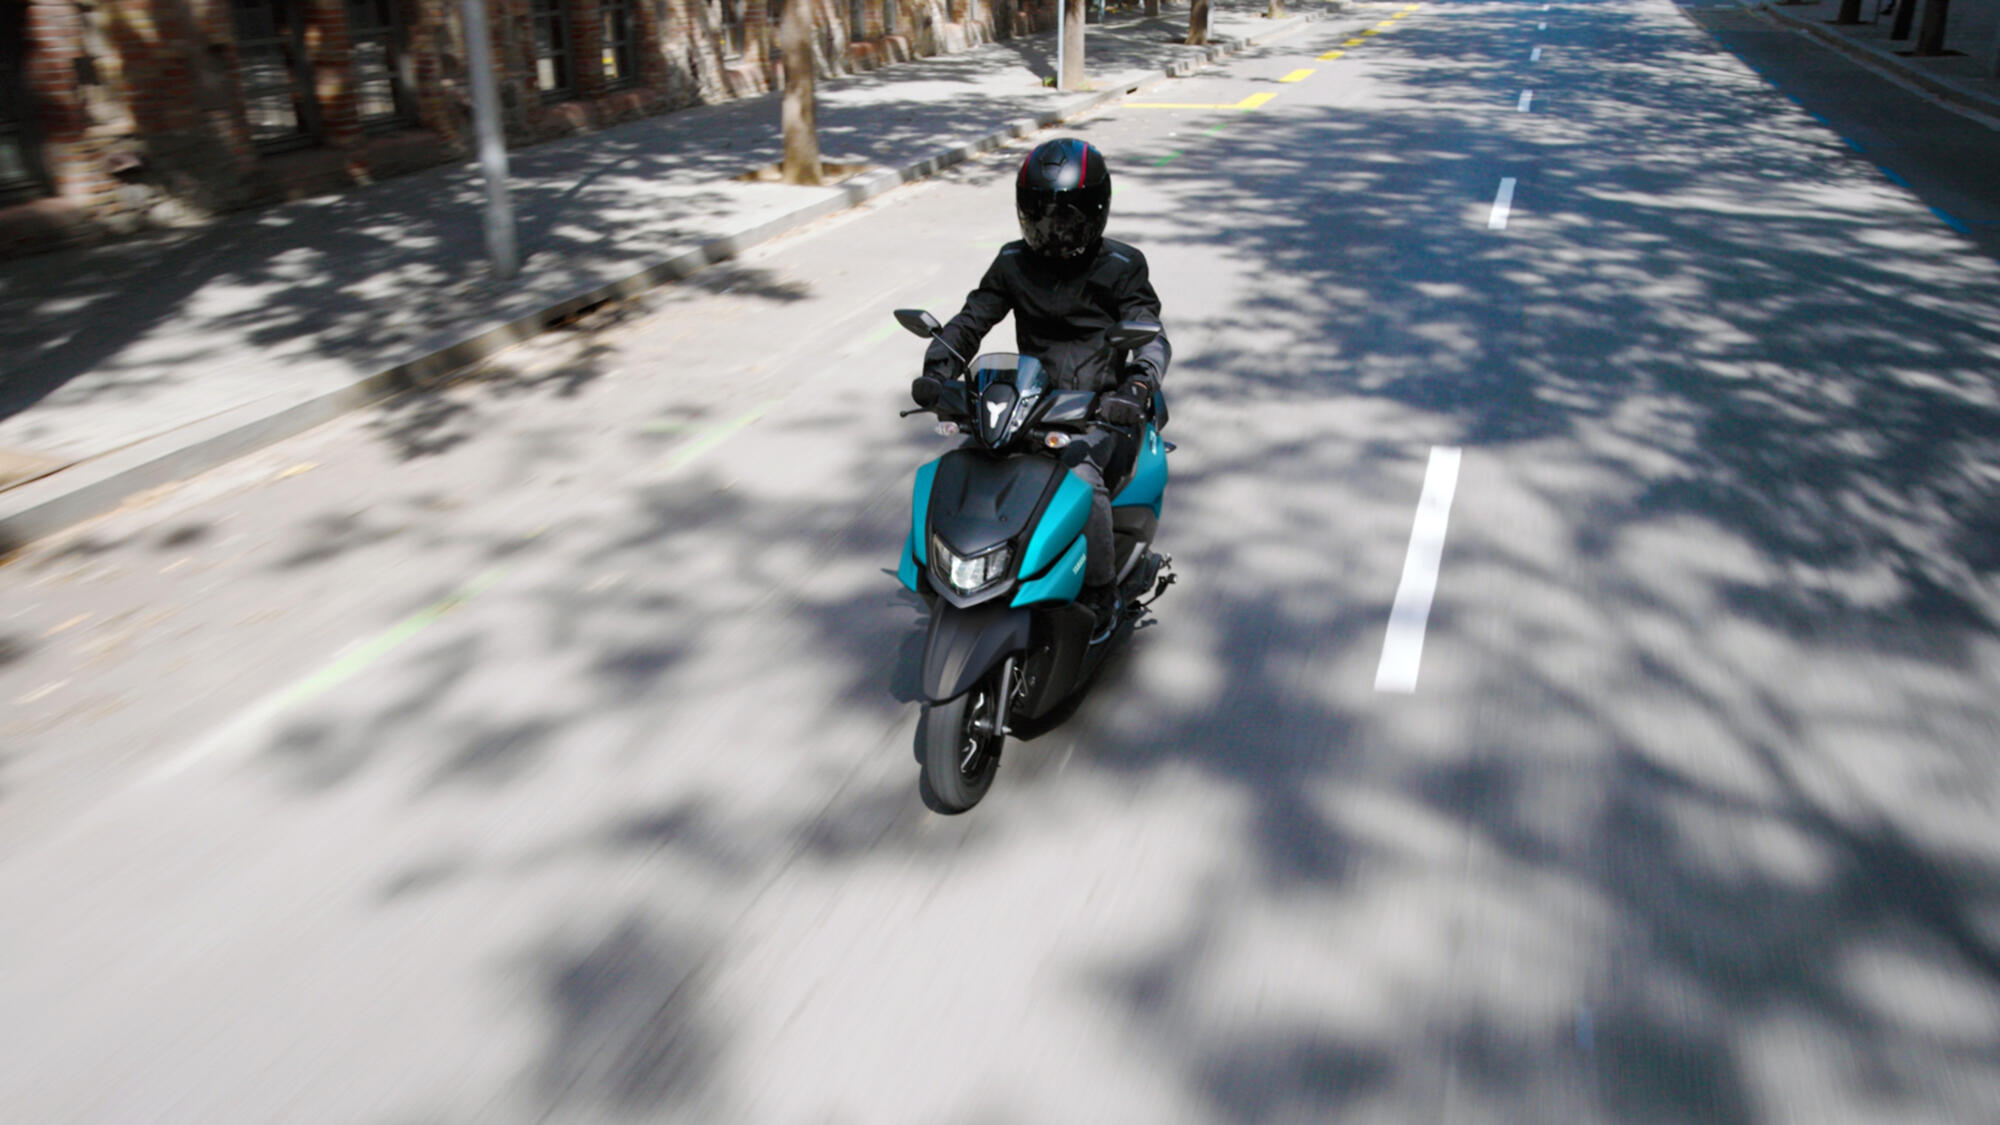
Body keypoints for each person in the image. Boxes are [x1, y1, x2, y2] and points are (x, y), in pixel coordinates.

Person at [910, 137, 1172, 620]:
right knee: (964, 464)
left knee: (1082, 482)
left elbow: (1151, 334)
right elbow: (971, 321)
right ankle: (956, 574)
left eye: (1067, 218)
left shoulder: (1122, 267)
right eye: (1041, 216)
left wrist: (1137, 385)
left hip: (1096, 410)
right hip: (1026, 401)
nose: (1054, 230)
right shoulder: (1012, 263)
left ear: (1095, 212)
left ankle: (1100, 596)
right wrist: (938, 368)